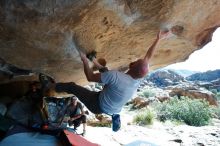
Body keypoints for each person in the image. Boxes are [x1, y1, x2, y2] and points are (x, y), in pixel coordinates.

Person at [39, 29, 170, 131]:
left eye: (136, 61)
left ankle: (48, 85)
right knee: (107, 74)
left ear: (133, 65)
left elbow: (89, 77)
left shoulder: (117, 76)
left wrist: (84, 60)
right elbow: (148, 57)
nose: (137, 60)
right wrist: (158, 39)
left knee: (72, 87)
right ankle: (93, 60)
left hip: (97, 104)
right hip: (111, 103)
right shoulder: (137, 78)